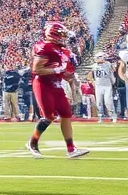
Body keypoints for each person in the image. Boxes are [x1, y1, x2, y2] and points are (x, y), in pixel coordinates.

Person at [26, 21, 89, 158]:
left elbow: (65, 73)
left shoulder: (63, 51)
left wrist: (72, 80)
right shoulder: (46, 47)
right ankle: (33, 142)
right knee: (49, 117)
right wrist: (55, 69)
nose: (63, 38)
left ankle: (71, 149)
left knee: (66, 114)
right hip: (43, 85)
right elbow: (37, 69)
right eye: (61, 35)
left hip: (57, 85)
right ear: (53, 34)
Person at [90, 51, 118, 123]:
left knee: (108, 102)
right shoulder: (94, 66)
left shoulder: (108, 64)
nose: (97, 58)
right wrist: (93, 81)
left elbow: (112, 73)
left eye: (99, 57)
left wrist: (113, 83)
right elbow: (91, 74)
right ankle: (100, 117)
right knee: (99, 102)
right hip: (98, 86)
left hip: (107, 86)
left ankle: (113, 116)